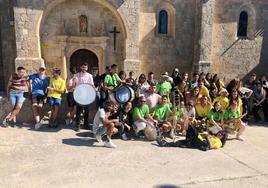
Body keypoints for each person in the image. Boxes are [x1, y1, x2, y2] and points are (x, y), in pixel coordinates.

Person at [157, 125, 227, 151]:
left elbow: (211, 146)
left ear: (223, 138)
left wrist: (208, 138)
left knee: (191, 128)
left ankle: (189, 144)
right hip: (199, 140)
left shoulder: (219, 142)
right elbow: (205, 136)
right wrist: (203, 134)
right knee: (181, 142)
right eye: (220, 132)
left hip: (202, 143)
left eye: (221, 134)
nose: (219, 134)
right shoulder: (214, 136)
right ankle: (165, 144)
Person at [72, 63, 94, 131]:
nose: (84, 68)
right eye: (83, 67)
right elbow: (73, 85)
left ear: (87, 68)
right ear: (81, 67)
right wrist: (74, 83)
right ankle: (77, 125)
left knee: (87, 111)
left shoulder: (90, 76)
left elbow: (92, 85)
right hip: (79, 95)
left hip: (87, 95)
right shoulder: (76, 75)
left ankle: (86, 125)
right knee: (79, 111)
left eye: (85, 67)